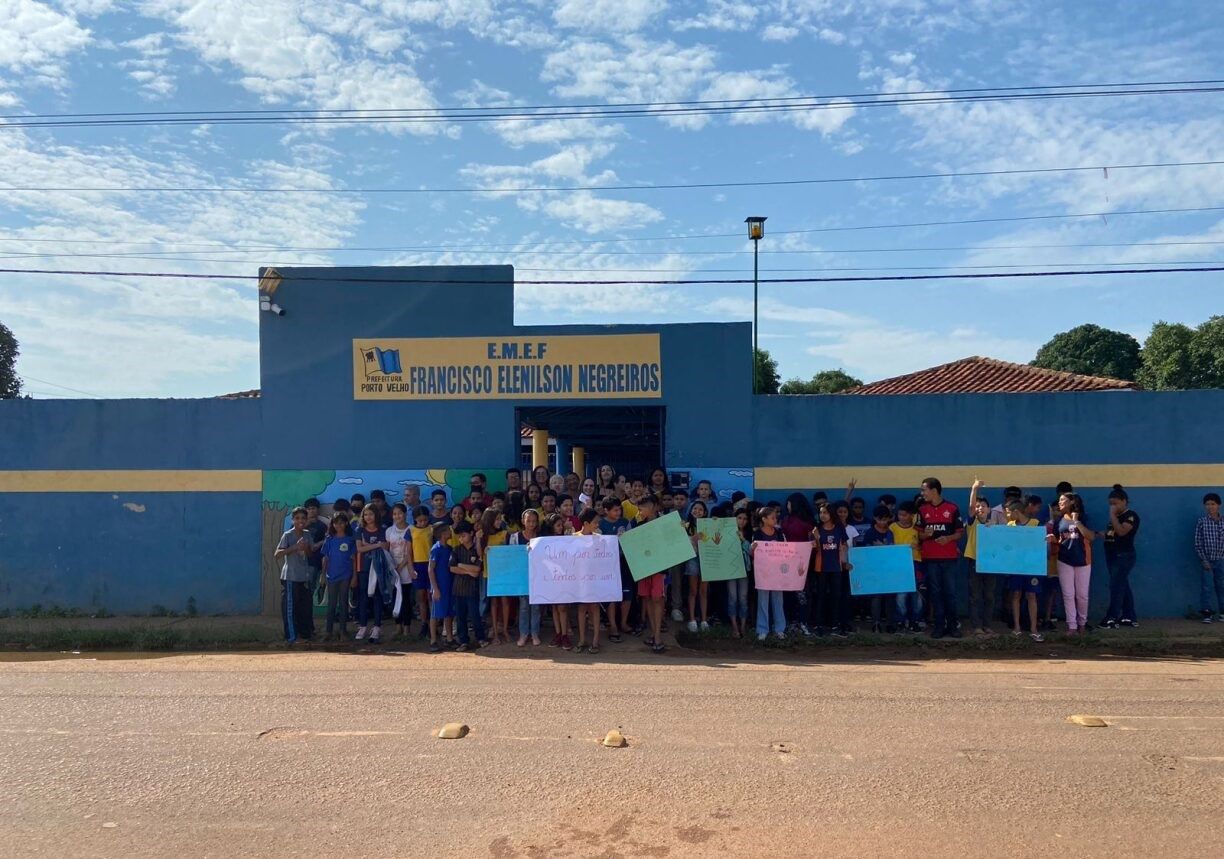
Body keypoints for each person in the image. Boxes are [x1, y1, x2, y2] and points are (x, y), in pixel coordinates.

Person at [917, 477, 965, 639]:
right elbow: (919, 534)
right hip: (930, 558)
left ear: (934, 490)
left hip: (949, 558)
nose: (922, 493)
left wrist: (948, 539)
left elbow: (959, 532)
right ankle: (938, 626)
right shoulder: (922, 510)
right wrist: (925, 534)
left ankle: (953, 626)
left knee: (950, 593)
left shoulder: (952, 508)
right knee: (935, 593)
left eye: (924, 490)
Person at [1052, 491, 1095, 635]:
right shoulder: (1058, 520)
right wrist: (1052, 539)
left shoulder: (1083, 517)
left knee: (1082, 595)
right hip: (1065, 560)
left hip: (1083, 560)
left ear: (1071, 502)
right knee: (1068, 594)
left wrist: (1077, 522)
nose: (1059, 503)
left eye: (1062, 500)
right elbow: (1058, 540)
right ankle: (1072, 626)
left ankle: (1082, 623)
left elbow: (1091, 537)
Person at [1002, 500, 1044, 642]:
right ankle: (1017, 628)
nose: (1007, 516)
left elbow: (1041, 544)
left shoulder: (1035, 524)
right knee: (1016, 595)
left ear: (1016, 512)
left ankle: (1033, 629)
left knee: (1031, 596)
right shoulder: (1010, 526)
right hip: (1016, 567)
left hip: (1031, 567)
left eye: (1008, 512)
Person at [1100, 484, 1141, 629]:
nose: (1113, 507)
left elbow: (1122, 531)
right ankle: (1129, 616)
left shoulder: (1130, 516)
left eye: (1115, 504)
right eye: (1110, 504)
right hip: (1112, 554)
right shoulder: (1116, 518)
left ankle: (1111, 617)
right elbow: (1111, 533)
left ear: (1124, 501)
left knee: (1116, 586)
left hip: (1123, 555)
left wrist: (1112, 515)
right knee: (1122, 585)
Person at [274, 506, 314, 645]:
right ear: (293, 520)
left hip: (304, 576)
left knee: (304, 607)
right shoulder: (288, 535)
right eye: (297, 518)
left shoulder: (307, 534)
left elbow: (309, 554)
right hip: (291, 576)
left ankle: (305, 634)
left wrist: (306, 548)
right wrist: (294, 547)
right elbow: (277, 554)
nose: (300, 521)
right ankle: (291, 637)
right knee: (290, 608)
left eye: (303, 518)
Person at [634, 495, 668, 654]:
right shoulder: (639, 525)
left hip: (659, 568)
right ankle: (654, 634)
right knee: (647, 598)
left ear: (654, 506)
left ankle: (658, 636)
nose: (640, 511)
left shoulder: (666, 524)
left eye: (643, 508)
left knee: (657, 599)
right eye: (639, 508)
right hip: (644, 568)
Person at [812, 504, 850, 637]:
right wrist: (816, 538)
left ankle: (835, 625)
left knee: (836, 596)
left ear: (832, 514)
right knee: (821, 596)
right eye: (821, 512)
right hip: (820, 567)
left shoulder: (839, 529)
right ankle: (818, 625)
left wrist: (845, 562)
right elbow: (814, 549)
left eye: (826, 513)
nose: (823, 515)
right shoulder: (816, 529)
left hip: (836, 567)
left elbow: (845, 546)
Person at [965, 479, 997, 636]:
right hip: (974, 561)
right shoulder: (972, 522)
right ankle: (976, 626)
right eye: (978, 506)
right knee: (975, 595)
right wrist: (974, 488)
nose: (980, 508)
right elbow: (971, 508)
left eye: (983, 506)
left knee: (989, 595)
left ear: (989, 509)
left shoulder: (993, 525)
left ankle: (987, 625)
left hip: (990, 563)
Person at [449, 522, 487, 651]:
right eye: (459, 536)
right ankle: (463, 641)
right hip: (458, 589)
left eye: (463, 535)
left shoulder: (477, 550)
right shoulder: (456, 549)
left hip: (472, 589)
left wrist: (461, 565)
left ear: (471, 534)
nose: (461, 538)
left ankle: (480, 638)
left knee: (475, 616)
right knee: (460, 617)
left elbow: (477, 570)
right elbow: (452, 568)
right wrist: (467, 570)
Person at [598, 497, 633, 641]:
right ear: (606, 511)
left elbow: (632, 541)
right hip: (607, 564)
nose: (618, 512)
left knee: (627, 593)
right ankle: (612, 625)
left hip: (625, 561)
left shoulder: (625, 523)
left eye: (620, 509)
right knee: (611, 594)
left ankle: (623, 623)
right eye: (615, 510)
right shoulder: (600, 524)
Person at [353, 505, 389, 645]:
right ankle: (362, 626)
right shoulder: (359, 530)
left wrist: (369, 544)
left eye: (371, 514)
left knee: (377, 597)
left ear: (376, 516)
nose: (368, 517)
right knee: (363, 598)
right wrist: (377, 545)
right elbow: (359, 549)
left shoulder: (383, 529)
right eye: (366, 514)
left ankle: (377, 627)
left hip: (379, 569)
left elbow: (386, 546)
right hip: (363, 568)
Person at [751, 506, 786, 640]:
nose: (775, 519)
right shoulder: (758, 534)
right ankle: (762, 630)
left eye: (775, 517)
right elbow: (752, 553)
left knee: (778, 599)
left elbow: (786, 550)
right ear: (764, 519)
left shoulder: (779, 533)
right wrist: (752, 549)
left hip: (777, 571)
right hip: (763, 572)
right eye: (772, 517)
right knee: (763, 600)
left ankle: (779, 629)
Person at [860, 505, 895, 633]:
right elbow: (867, 552)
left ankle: (890, 623)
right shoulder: (870, 533)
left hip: (888, 569)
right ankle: (876, 623)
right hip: (875, 570)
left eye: (885, 520)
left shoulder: (890, 532)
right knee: (876, 597)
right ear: (875, 518)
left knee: (890, 597)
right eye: (880, 520)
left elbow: (893, 551)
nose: (882, 523)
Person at [574, 508, 605, 654]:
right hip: (579, 580)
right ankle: (581, 639)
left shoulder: (599, 537)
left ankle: (595, 640)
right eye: (595, 522)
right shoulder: (573, 537)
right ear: (586, 523)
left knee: (594, 608)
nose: (598, 524)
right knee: (581, 608)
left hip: (595, 579)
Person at [320, 513, 355, 639]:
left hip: (346, 575)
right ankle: (328, 631)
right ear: (332, 524)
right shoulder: (329, 540)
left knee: (344, 603)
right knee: (331, 604)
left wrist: (354, 576)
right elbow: (325, 559)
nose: (338, 525)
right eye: (336, 523)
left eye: (341, 522)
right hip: (331, 576)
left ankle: (343, 631)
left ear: (346, 523)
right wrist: (323, 575)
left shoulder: (350, 540)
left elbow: (353, 559)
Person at [542, 513, 574, 649]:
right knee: (554, 606)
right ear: (551, 527)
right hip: (550, 578)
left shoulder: (566, 539)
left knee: (562, 607)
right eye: (558, 525)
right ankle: (558, 633)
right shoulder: (543, 541)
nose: (561, 528)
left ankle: (565, 635)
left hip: (564, 577)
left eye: (561, 525)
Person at [890, 501, 924, 632]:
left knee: (916, 595)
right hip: (898, 565)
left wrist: (919, 547)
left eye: (905, 515)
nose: (902, 517)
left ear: (912, 516)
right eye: (900, 515)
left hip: (916, 564)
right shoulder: (892, 528)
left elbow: (923, 545)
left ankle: (915, 621)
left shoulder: (917, 529)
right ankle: (900, 620)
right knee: (901, 594)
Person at [480, 508, 511, 644]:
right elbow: (478, 555)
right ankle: (494, 630)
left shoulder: (505, 534)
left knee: (505, 601)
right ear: (489, 520)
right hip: (489, 573)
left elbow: (510, 552)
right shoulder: (482, 536)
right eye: (497, 519)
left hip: (503, 573)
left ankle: (504, 629)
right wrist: (480, 544)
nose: (499, 522)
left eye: (500, 519)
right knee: (493, 602)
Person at [1194, 492, 1224, 623]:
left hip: (1221, 560)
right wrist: (1203, 560)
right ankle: (1207, 613)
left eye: (1213, 504)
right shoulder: (1202, 522)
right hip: (1207, 561)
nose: (1210, 507)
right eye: (1207, 504)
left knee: (1221, 586)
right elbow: (1198, 542)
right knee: (1206, 587)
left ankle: (1222, 612)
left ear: (1219, 506)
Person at [385, 503, 414, 638]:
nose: (397, 516)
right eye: (395, 514)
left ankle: (407, 627)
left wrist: (401, 565)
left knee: (406, 599)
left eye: (400, 513)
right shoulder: (389, 531)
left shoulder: (411, 529)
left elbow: (410, 552)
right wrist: (391, 567)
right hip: (393, 570)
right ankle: (398, 626)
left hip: (406, 569)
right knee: (395, 598)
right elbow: (386, 550)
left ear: (405, 514)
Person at [427, 523, 456, 652]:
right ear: (442, 534)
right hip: (439, 585)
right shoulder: (436, 549)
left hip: (449, 584)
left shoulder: (449, 549)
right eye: (448, 530)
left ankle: (449, 638)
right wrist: (435, 588)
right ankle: (433, 640)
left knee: (449, 612)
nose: (451, 533)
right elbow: (430, 569)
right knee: (435, 613)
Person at [684, 500, 710, 632]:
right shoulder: (686, 525)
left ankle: (704, 620)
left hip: (706, 559)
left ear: (705, 512)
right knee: (693, 590)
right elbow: (680, 543)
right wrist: (692, 538)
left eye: (700, 509)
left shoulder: (709, 525)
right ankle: (692, 619)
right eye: (695, 509)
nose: (697, 511)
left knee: (703, 591)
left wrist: (716, 522)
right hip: (693, 559)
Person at [409, 506, 434, 639]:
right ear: (415, 520)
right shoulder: (411, 530)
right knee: (421, 597)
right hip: (417, 565)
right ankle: (424, 624)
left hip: (430, 564)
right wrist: (410, 568)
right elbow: (408, 551)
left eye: (425, 520)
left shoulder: (432, 529)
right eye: (420, 520)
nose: (423, 523)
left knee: (431, 596)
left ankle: (433, 624)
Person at [727, 508, 752, 638]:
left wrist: (743, 540)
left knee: (743, 598)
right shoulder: (728, 532)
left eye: (745, 519)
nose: (742, 521)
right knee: (733, 598)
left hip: (744, 570)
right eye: (739, 518)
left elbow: (752, 552)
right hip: (731, 569)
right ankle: (734, 626)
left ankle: (742, 625)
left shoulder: (749, 534)